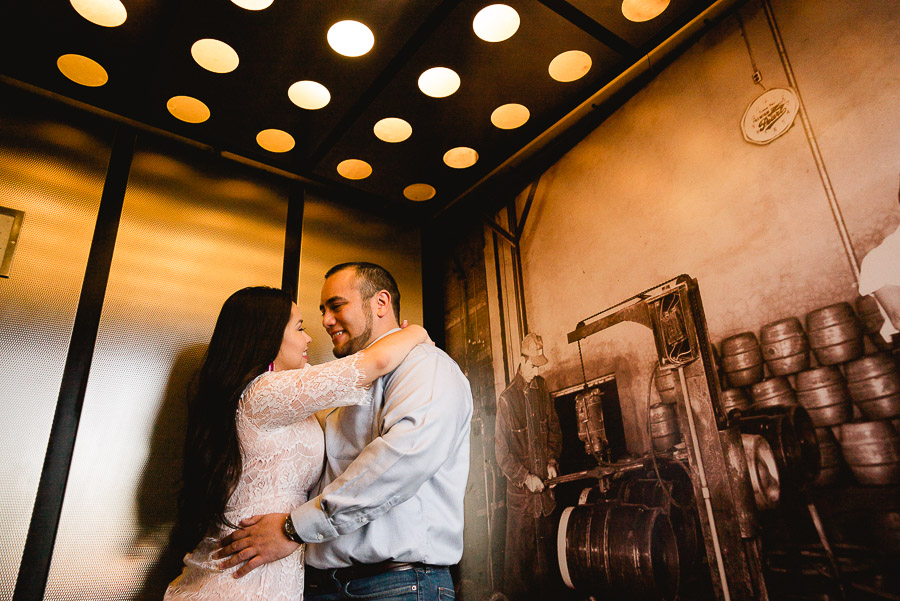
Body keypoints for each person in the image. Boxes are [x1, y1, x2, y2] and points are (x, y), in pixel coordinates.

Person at [218, 263, 474, 601]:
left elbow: (400, 461)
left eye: (336, 306)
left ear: (381, 303)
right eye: (322, 311)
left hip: (396, 584)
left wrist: (294, 528)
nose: (324, 321)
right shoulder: (343, 382)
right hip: (322, 583)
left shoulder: (426, 366)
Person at [164, 286, 430, 600]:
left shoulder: (277, 392)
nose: (309, 338)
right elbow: (379, 359)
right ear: (267, 335)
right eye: (300, 327)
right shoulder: (266, 392)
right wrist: (416, 332)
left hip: (264, 572)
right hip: (240, 581)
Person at [494, 332, 562, 601]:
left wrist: (552, 461)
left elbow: (554, 431)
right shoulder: (507, 400)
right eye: (533, 365)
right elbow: (501, 453)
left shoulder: (542, 390)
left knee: (548, 571)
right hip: (522, 503)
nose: (536, 370)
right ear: (522, 361)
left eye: (539, 365)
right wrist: (525, 477)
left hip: (545, 500)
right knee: (521, 577)